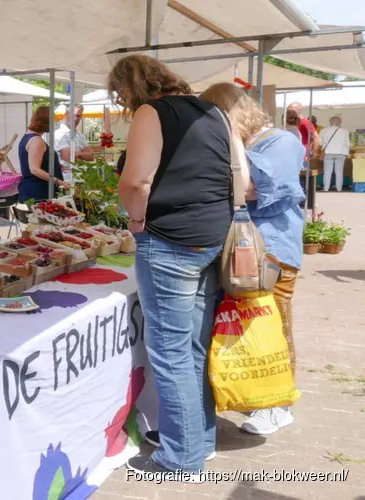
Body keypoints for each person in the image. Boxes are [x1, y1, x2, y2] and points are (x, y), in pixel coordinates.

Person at [108, 55, 250, 479]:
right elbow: (239, 179)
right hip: (213, 236)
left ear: (132, 88)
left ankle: (181, 456)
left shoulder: (153, 113)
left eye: (119, 95)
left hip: (171, 241)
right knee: (192, 347)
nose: (121, 102)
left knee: (171, 353)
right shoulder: (213, 111)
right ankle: (197, 440)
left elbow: (137, 182)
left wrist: (135, 219)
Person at [201, 82, 305, 435]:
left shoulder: (281, 141)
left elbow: (249, 189)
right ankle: (254, 396)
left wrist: (227, 139)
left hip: (271, 252)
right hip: (242, 251)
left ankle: (279, 405)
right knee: (246, 328)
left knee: (274, 326)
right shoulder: (250, 144)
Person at [17, 106, 68, 203]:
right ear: (46, 122)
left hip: (33, 190)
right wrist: (58, 182)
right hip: (38, 191)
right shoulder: (37, 141)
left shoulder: (28, 138)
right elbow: (34, 169)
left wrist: (54, 165)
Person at [54, 104, 94, 183]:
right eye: (74, 115)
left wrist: (78, 154)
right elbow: (69, 157)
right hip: (65, 180)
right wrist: (83, 155)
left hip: (80, 178)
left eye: (78, 116)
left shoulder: (80, 135)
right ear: (66, 115)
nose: (76, 119)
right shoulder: (60, 134)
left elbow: (92, 156)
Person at [319, 116, 350, 192]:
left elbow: (320, 143)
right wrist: (347, 153)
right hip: (341, 153)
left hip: (328, 153)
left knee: (327, 172)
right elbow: (347, 143)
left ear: (330, 122)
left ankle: (326, 188)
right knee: (339, 172)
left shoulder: (323, 130)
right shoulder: (344, 131)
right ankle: (339, 188)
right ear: (339, 123)